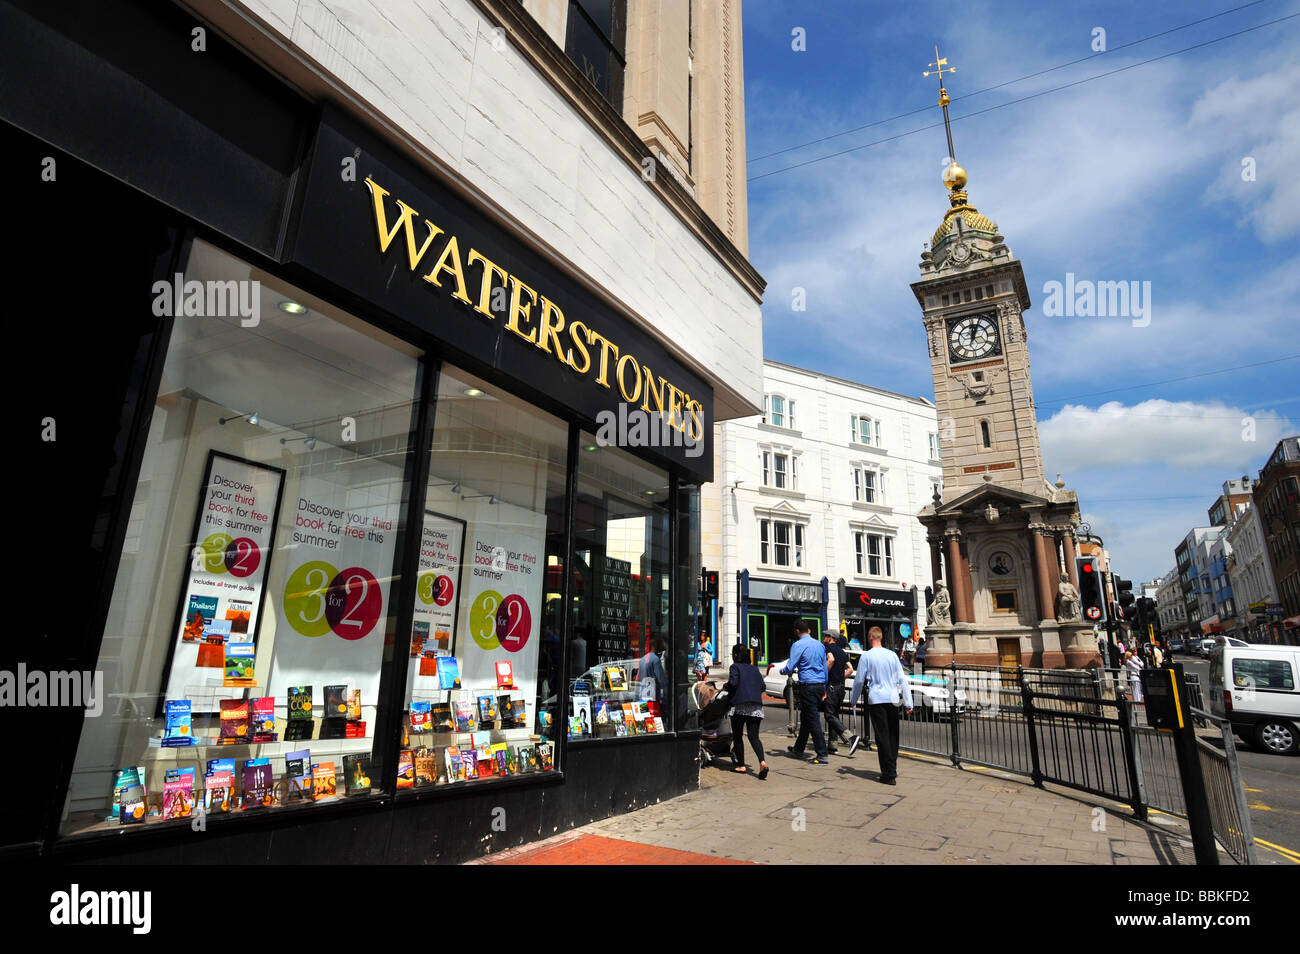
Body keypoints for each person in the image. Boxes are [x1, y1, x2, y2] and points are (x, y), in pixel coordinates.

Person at [847, 626, 913, 784]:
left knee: (882, 736)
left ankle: (888, 773)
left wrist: (853, 700)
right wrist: (909, 702)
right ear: (881, 637)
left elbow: (859, 681)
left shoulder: (866, 657)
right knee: (892, 735)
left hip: (877, 699)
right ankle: (892, 768)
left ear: (870, 637)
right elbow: (902, 680)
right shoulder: (892, 655)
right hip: (892, 699)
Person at [780, 620, 829, 764]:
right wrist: (824, 686)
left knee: (813, 719)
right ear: (809, 630)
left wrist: (783, 671)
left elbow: (790, 666)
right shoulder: (820, 645)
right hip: (820, 684)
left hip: (808, 685)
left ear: (797, 631)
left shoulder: (798, 645)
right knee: (807, 717)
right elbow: (824, 666)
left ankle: (822, 754)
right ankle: (799, 748)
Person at [721, 644, 769, 779]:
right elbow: (762, 686)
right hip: (756, 707)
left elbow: (733, 683)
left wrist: (726, 686)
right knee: (754, 737)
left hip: (739, 705)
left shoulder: (735, 667)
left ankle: (741, 765)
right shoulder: (754, 669)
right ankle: (762, 762)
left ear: (735, 655)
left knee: (738, 736)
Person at [821, 631, 854, 748]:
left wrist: (824, 675)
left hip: (832, 687)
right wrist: (840, 677)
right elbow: (850, 669)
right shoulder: (842, 651)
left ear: (830, 638)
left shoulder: (828, 648)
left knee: (829, 715)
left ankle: (850, 737)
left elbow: (831, 660)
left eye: (825, 636)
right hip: (841, 687)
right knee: (834, 715)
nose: (823, 638)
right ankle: (832, 745)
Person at [637, 637, 668, 703]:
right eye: (660, 647)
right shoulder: (655, 659)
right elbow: (661, 679)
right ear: (655, 646)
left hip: (643, 694)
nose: (662, 650)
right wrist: (667, 692)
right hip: (652, 696)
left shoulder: (642, 659)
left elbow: (638, 678)